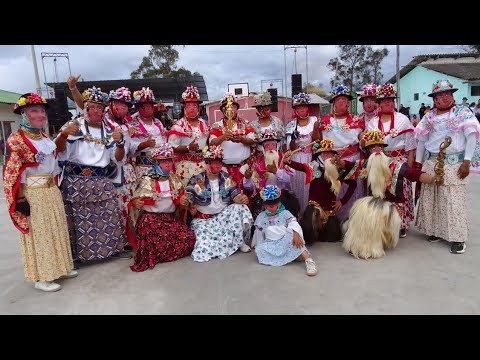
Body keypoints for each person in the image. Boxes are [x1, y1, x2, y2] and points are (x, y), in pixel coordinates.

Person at [4, 93, 77, 292]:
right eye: (34, 111)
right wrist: (19, 198)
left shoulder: (44, 138)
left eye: (42, 111)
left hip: (51, 190)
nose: (41, 115)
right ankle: (42, 276)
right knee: (41, 233)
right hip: (33, 193)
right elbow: (14, 171)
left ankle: (61, 267)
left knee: (56, 228)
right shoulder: (16, 140)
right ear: (24, 114)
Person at [337, 129, 444, 259]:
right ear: (368, 150)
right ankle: (360, 243)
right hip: (372, 202)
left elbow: (415, 174)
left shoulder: (396, 165)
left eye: (380, 146)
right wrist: (339, 162)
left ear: (384, 149)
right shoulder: (364, 164)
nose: (377, 150)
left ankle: (377, 241)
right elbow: (348, 165)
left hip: (392, 206)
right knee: (361, 211)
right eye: (373, 147)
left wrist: (432, 179)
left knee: (372, 216)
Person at [55, 87, 127, 264]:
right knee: (80, 221)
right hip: (76, 182)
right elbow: (60, 149)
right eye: (92, 107)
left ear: (104, 111)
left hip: (101, 181)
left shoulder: (110, 131)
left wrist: (120, 144)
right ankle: (79, 257)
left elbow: (117, 159)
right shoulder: (74, 126)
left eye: (100, 108)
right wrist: (64, 135)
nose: (96, 111)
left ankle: (111, 251)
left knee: (108, 216)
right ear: (85, 108)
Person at [415, 80, 480, 254]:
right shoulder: (429, 116)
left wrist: (467, 161)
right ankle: (435, 231)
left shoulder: (462, 112)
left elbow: (472, 136)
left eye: (448, 94)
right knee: (432, 198)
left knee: (453, 201)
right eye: (440, 95)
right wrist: (418, 164)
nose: (445, 98)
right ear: (434, 99)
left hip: (455, 163)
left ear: (452, 96)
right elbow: (421, 141)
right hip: (432, 163)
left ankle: (458, 238)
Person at [128, 144, 196, 272]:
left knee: (189, 238)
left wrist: (184, 203)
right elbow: (135, 200)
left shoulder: (174, 179)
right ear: (156, 163)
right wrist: (136, 203)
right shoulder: (148, 180)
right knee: (155, 238)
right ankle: (161, 254)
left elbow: (182, 203)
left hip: (170, 219)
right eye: (164, 161)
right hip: (151, 220)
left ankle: (162, 254)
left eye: (170, 160)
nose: (168, 164)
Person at [181, 145, 254, 262]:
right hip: (204, 221)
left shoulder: (226, 178)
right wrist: (185, 203)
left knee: (241, 208)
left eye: (219, 163)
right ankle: (227, 242)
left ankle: (240, 241)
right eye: (213, 163)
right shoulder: (196, 179)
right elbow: (187, 200)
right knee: (203, 250)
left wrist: (241, 198)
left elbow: (235, 194)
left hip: (222, 218)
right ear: (207, 163)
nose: (217, 166)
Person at [365, 83, 416, 238]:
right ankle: (382, 222)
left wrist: (410, 169)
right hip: (379, 160)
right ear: (378, 103)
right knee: (381, 192)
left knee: (399, 191)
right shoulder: (372, 122)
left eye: (390, 100)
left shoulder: (403, 120)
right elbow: (368, 144)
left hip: (399, 160)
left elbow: (411, 147)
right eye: (384, 100)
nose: (388, 103)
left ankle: (400, 224)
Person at [283, 138, 357, 243]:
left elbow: (353, 184)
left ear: (334, 156)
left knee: (332, 237)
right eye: (324, 154)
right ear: (320, 156)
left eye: (330, 154)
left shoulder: (338, 169)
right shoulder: (313, 167)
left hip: (330, 208)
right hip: (314, 206)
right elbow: (299, 166)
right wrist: (287, 161)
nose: (327, 156)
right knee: (308, 230)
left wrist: (342, 201)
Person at [313, 84, 365, 223]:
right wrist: (316, 130)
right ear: (334, 102)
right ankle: (334, 222)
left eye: (346, 100)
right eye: (340, 99)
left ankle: (353, 221)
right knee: (334, 189)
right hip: (331, 160)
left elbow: (361, 138)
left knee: (352, 188)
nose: (344, 102)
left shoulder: (356, 120)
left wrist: (365, 141)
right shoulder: (325, 120)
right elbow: (318, 140)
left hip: (351, 159)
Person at [251, 185, 318, 276]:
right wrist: (258, 245)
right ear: (264, 204)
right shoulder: (261, 216)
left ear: (279, 203)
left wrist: (295, 235)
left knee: (292, 237)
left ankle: (308, 260)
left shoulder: (285, 213)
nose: (271, 207)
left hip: (285, 240)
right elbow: (259, 233)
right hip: (271, 243)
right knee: (259, 249)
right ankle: (291, 255)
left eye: (274, 205)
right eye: (268, 205)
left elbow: (293, 223)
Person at [241, 130, 298, 219]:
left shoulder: (284, 159)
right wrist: (247, 178)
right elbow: (251, 187)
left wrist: (276, 172)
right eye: (267, 146)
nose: (270, 148)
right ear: (263, 149)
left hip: (282, 196)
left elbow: (290, 179)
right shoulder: (256, 164)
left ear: (277, 146)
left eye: (273, 145)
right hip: (263, 197)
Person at [209, 92, 256, 192]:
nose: (230, 110)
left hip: (243, 169)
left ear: (237, 109)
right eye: (227, 107)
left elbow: (253, 141)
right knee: (225, 198)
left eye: (233, 107)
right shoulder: (217, 125)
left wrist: (242, 139)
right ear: (223, 110)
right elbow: (211, 143)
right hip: (224, 170)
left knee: (245, 196)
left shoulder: (245, 123)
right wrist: (223, 137)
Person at [167, 86, 210, 187]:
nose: (192, 108)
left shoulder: (205, 124)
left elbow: (208, 144)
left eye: (195, 106)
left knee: (204, 193)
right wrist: (187, 148)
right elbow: (171, 147)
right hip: (185, 166)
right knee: (187, 195)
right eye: (189, 106)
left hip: (203, 165)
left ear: (198, 108)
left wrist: (206, 155)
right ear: (184, 108)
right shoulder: (178, 126)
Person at [285, 93, 318, 214]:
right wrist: (293, 138)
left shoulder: (314, 121)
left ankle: (311, 215)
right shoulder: (291, 125)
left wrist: (315, 129)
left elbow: (319, 139)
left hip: (311, 158)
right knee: (297, 187)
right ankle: (298, 214)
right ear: (295, 110)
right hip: (297, 158)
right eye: (298, 107)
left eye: (303, 106)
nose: (301, 109)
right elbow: (291, 147)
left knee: (311, 187)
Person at [129, 87, 167, 178]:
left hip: (161, 166)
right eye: (145, 106)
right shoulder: (132, 124)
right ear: (139, 108)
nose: (149, 108)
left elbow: (164, 139)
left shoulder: (157, 122)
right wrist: (145, 144)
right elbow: (130, 147)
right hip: (144, 167)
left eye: (150, 105)